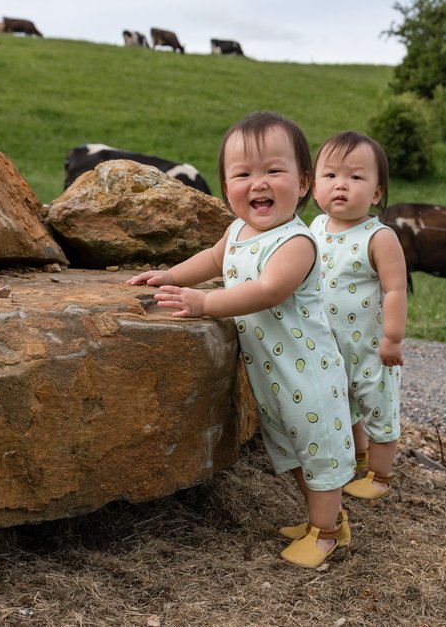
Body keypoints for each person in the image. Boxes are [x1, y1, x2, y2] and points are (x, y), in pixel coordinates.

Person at [126, 112, 355, 568]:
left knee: (319, 456)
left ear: (305, 182)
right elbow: (213, 259)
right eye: (243, 173)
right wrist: (170, 274)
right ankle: (322, 521)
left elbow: (269, 289)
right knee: (295, 453)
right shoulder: (236, 231)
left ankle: (328, 533)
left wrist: (205, 304)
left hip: (308, 375)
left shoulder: (296, 242)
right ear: (225, 184)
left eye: (273, 170)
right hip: (275, 376)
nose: (258, 184)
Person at [308, 131, 406, 500]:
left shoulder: (379, 237)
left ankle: (380, 476)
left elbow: (394, 290)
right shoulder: (315, 228)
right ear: (314, 184)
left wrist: (392, 338)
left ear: (377, 193)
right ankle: (358, 456)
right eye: (330, 176)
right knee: (343, 404)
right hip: (329, 344)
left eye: (356, 177)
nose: (341, 186)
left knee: (377, 405)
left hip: (369, 347)